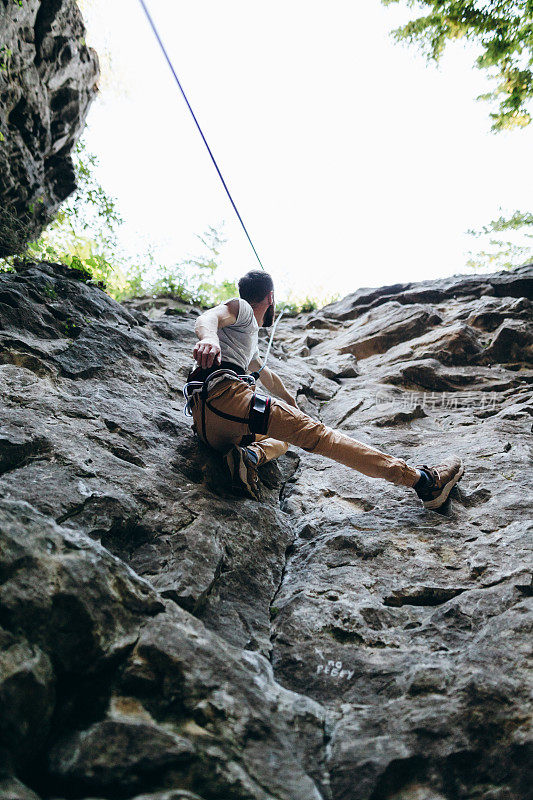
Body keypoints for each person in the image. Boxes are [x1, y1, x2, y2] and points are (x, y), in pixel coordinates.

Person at [187, 270, 464, 509]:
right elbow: (209, 317)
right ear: (270, 298)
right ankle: (426, 482)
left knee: (284, 440)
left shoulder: (246, 341)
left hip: (210, 430)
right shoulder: (244, 310)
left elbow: (267, 376)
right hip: (227, 398)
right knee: (321, 437)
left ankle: (247, 458)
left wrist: (290, 404)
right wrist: (209, 338)